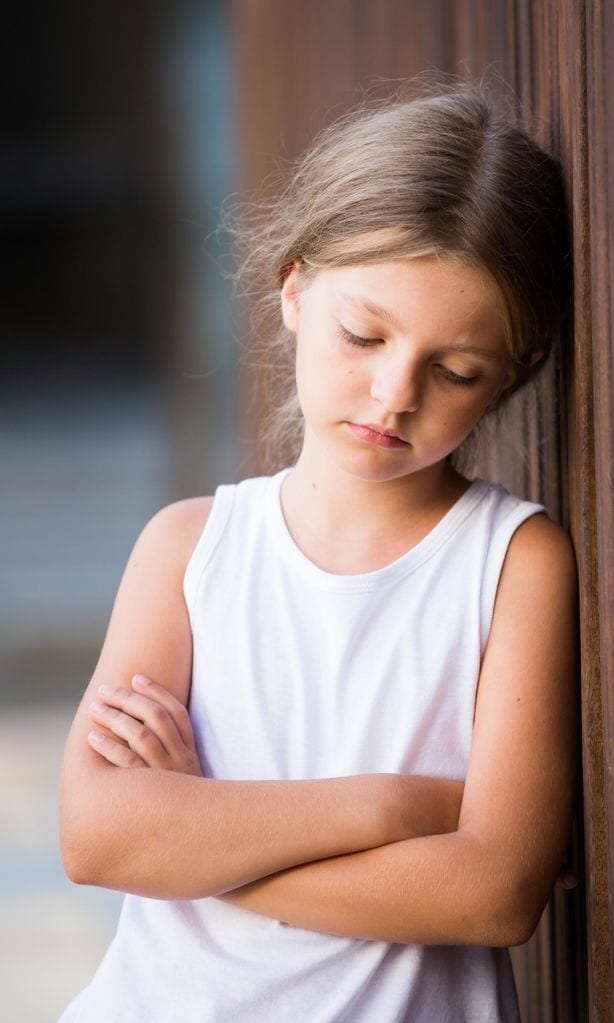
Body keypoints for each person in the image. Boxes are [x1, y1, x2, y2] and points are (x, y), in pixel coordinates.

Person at [58, 86, 578, 1023]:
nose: (392, 394)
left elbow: (493, 894)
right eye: (364, 335)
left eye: (454, 371)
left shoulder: (514, 564)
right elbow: (98, 838)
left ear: (510, 374)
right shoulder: (189, 548)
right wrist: (394, 808)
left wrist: (203, 850)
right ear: (295, 290)